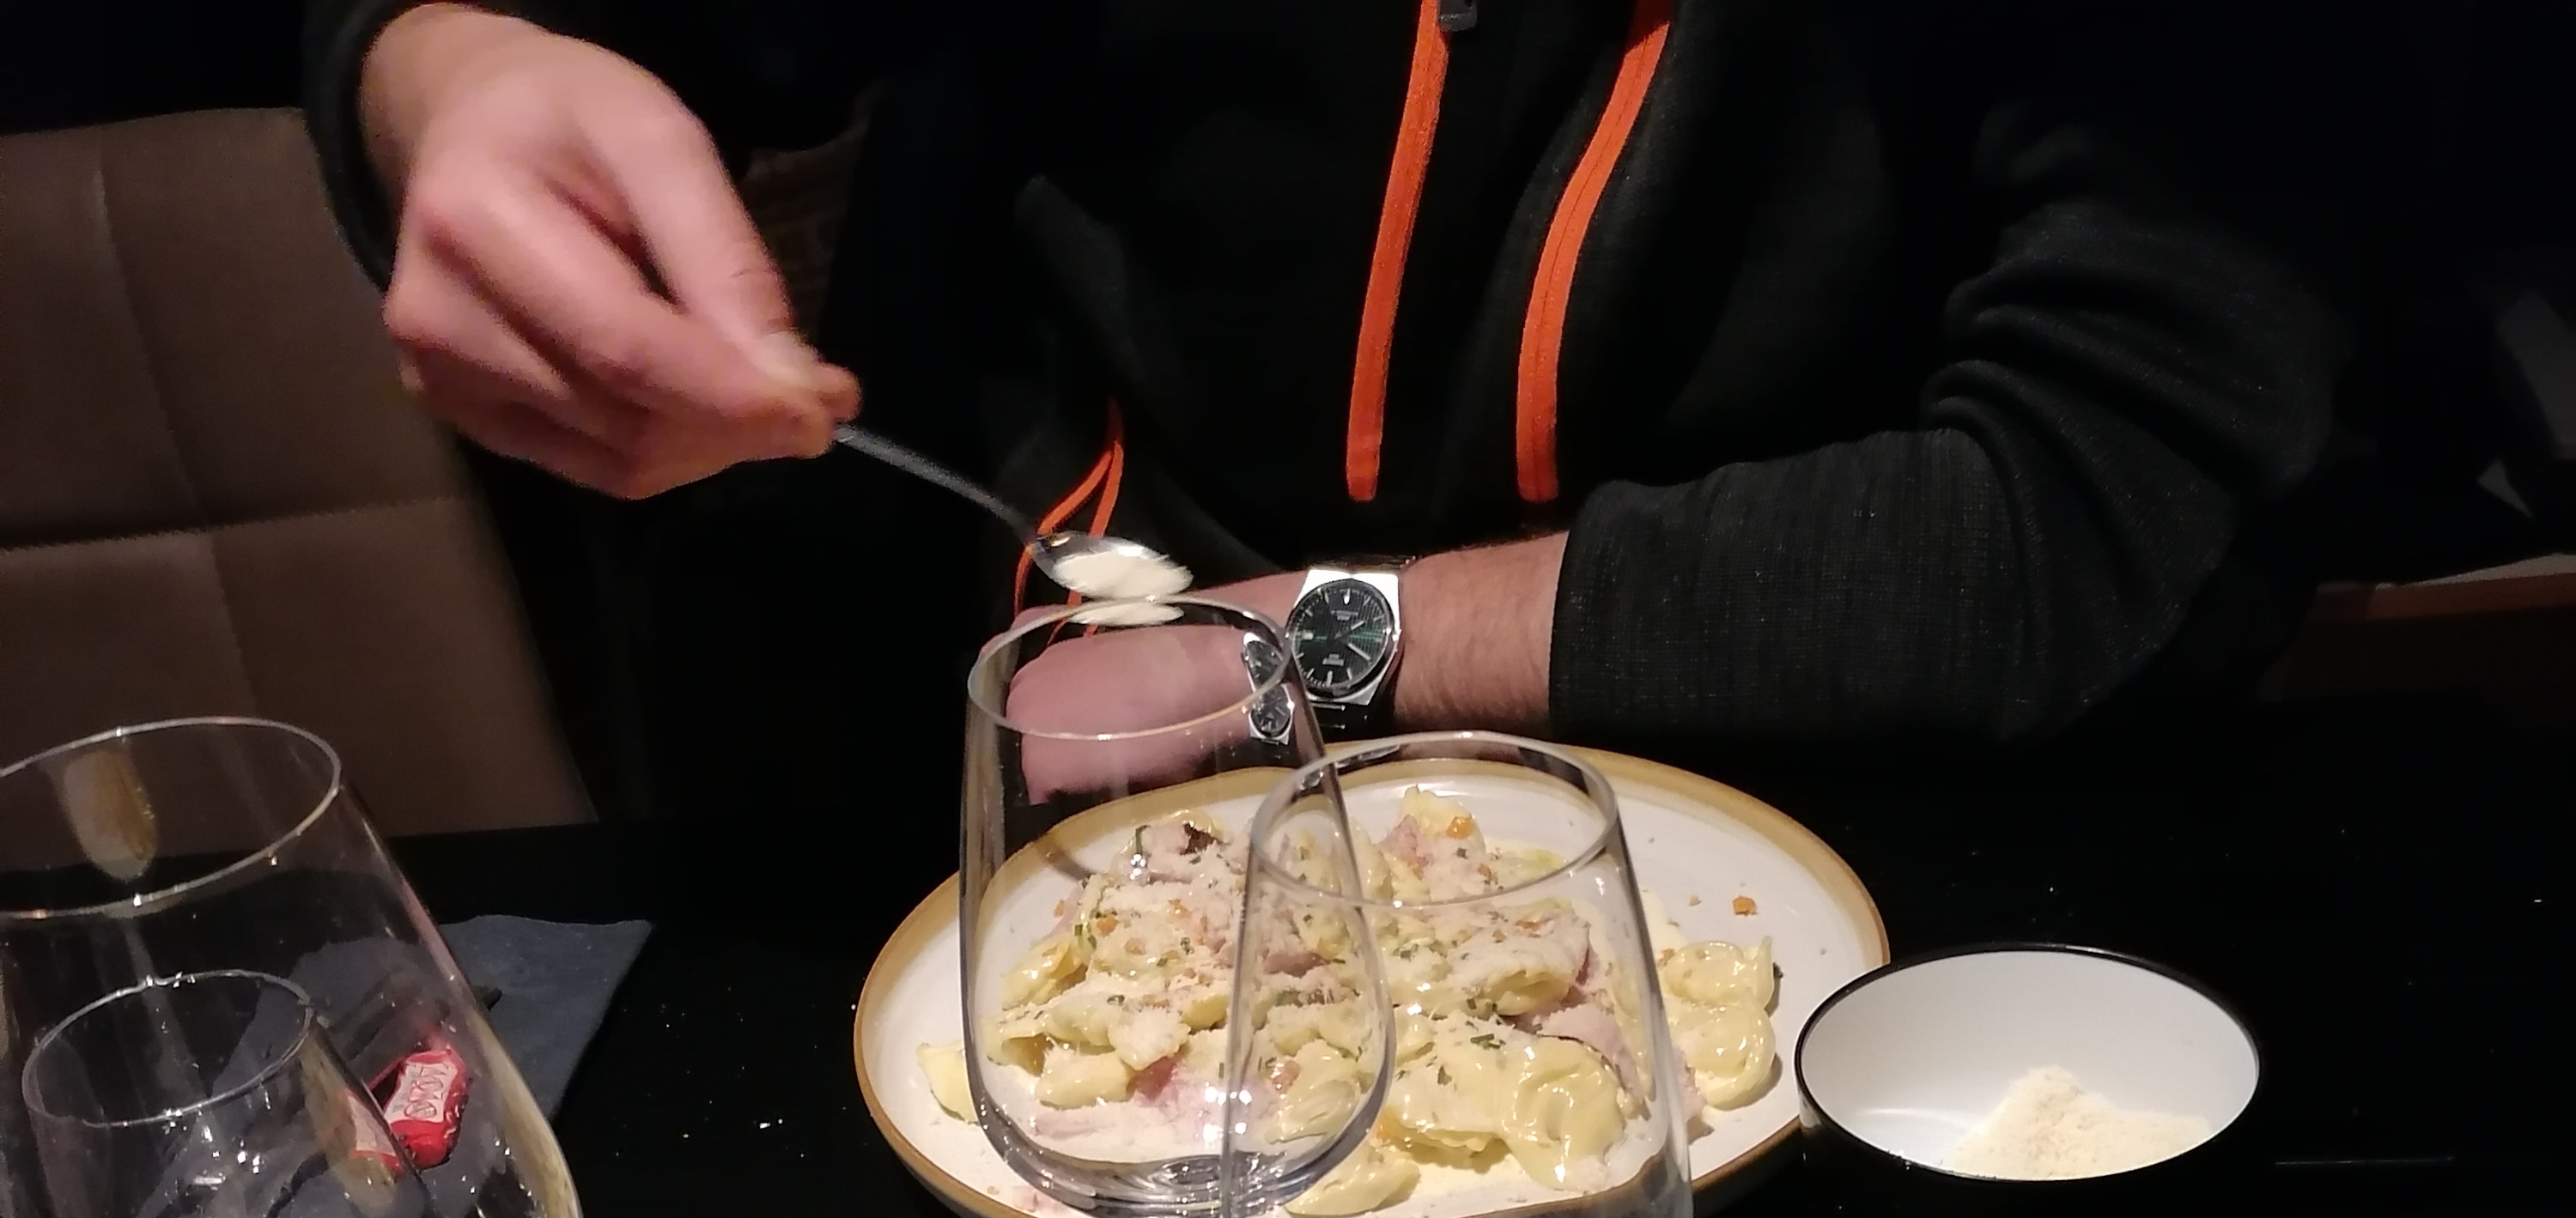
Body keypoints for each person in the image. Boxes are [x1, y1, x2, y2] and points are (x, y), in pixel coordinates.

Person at [306, 3, 2348, 752]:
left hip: (1867, 832)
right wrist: (450, 69)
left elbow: (2075, 506)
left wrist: (1306, 651)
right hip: (1020, 768)